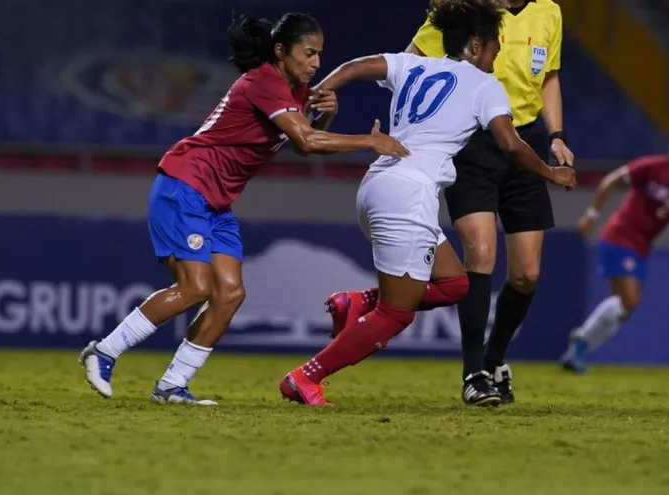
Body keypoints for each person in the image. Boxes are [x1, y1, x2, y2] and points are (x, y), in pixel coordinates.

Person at [78, 12, 408, 405]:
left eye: (320, 54)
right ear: (281, 50)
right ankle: (105, 350)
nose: (316, 63)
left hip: (216, 201)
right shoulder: (263, 82)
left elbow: (302, 146)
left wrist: (327, 114)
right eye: (309, 53)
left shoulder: (295, 89)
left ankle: (172, 385)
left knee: (230, 294)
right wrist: (369, 141)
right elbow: (306, 139)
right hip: (185, 185)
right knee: (195, 288)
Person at [279, 0, 576, 407]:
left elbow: (357, 66)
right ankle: (305, 376)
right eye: (495, 46)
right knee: (396, 313)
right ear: (476, 46)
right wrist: (551, 174)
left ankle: (357, 301)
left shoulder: (413, 65)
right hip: (408, 196)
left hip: (376, 186)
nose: (498, 55)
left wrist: (320, 90)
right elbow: (510, 144)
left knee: (456, 285)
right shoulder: (484, 85)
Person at [398, 0, 574, 406]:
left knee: (526, 274)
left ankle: (494, 360)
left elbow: (549, 77)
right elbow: (411, 60)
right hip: (471, 141)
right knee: (479, 251)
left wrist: (557, 136)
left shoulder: (549, 12)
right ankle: (473, 373)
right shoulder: (468, 9)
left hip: (525, 143)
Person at [560, 126, 669, 373]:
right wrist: (591, 215)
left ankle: (578, 350)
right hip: (620, 236)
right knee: (629, 301)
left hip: (641, 247)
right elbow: (610, 180)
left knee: (623, 308)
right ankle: (580, 342)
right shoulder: (651, 167)